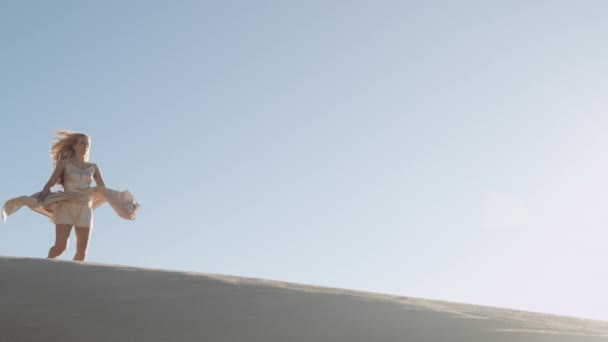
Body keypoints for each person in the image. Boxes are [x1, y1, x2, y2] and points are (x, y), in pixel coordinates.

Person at [2, 130, 140, 261]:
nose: (85, 146)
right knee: (61, 247)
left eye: (87, 144)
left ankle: (73, 281)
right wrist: (41, 198)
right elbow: (50, 184)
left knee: (82, 251)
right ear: (74, 145)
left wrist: (122, 203)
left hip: (85, 209)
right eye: (82, 142)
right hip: (66, 206)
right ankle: (46, 266)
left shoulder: (93, 167)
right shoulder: (65, 163)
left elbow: (103, 189)